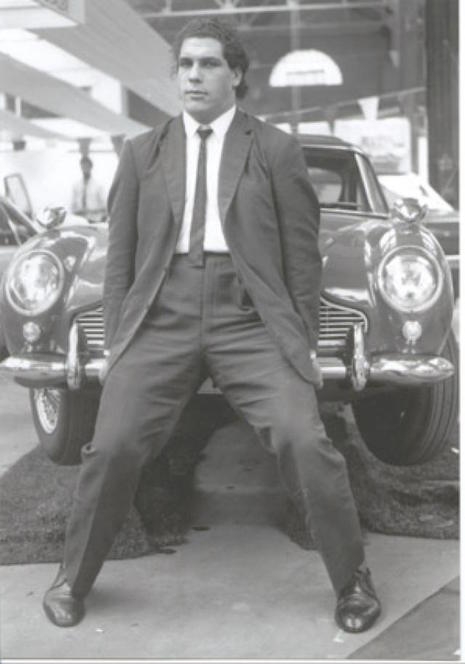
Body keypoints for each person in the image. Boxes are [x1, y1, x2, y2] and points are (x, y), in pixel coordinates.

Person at [43, 18, 381, 634]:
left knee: (304, 441)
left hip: (250, 318)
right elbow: (120, 259)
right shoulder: (142, 151)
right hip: (161, 315)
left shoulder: (275, 149)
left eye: (208, 64)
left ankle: (353, 581)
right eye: (186, 65)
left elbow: (302, 257)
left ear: (236, 75)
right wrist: (119, 340)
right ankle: (72, 578)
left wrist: (300, 337)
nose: (194, 75)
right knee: (112, 445)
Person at [70, 155, 107, 222]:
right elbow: (72, 206)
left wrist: (90, 211)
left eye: (87, 166)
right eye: (83, 166)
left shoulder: (98, 185)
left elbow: (105, 207)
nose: (85, 169)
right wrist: (77, 211)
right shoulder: (76, 185)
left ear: (91, 167)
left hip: (95, 220)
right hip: (80, 220)